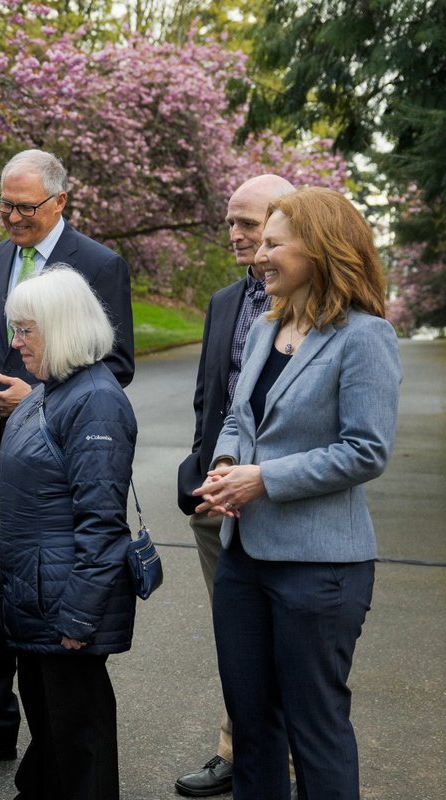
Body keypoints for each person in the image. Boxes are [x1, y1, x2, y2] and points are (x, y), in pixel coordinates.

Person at [193, 187, 401, 799]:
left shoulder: (365, 337)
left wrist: (264, 479)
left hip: (320, 570)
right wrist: (228, 465)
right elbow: (237, 418)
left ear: (321, 250)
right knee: (253, 727)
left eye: (275, 243)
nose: (260, 254)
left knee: (315, 728)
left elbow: (367, 450)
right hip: (243, 560)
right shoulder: (265, 328)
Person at [0, 148, 135, 768]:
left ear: (60, 202)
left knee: (49, 603)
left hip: (55, 463)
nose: (12, 217)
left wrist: (39, 398)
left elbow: (117, 361)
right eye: (4, 205)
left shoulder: (100, 265)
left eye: (25, 207)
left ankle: (53, 743)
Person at [174, 173, 295, 797]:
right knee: (237, 640)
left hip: (286, 503)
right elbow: (210, 399)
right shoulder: (225, 302)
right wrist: (200, 474)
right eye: (231, 223)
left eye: (248, 224)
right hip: (215, 503)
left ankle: (288, 760)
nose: (236, 235)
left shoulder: (315, 301)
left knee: (287, 643)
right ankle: (236, 749)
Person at [0, 265, 137, 799]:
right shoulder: (52, 389)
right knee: (53, 727)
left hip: (64, 604)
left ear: (60, 328)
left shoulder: (95, 400)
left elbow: (102, 525)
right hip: (39, 596)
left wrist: (79, 616)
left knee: (81, 736)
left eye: (26, 330)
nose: (17, 343)